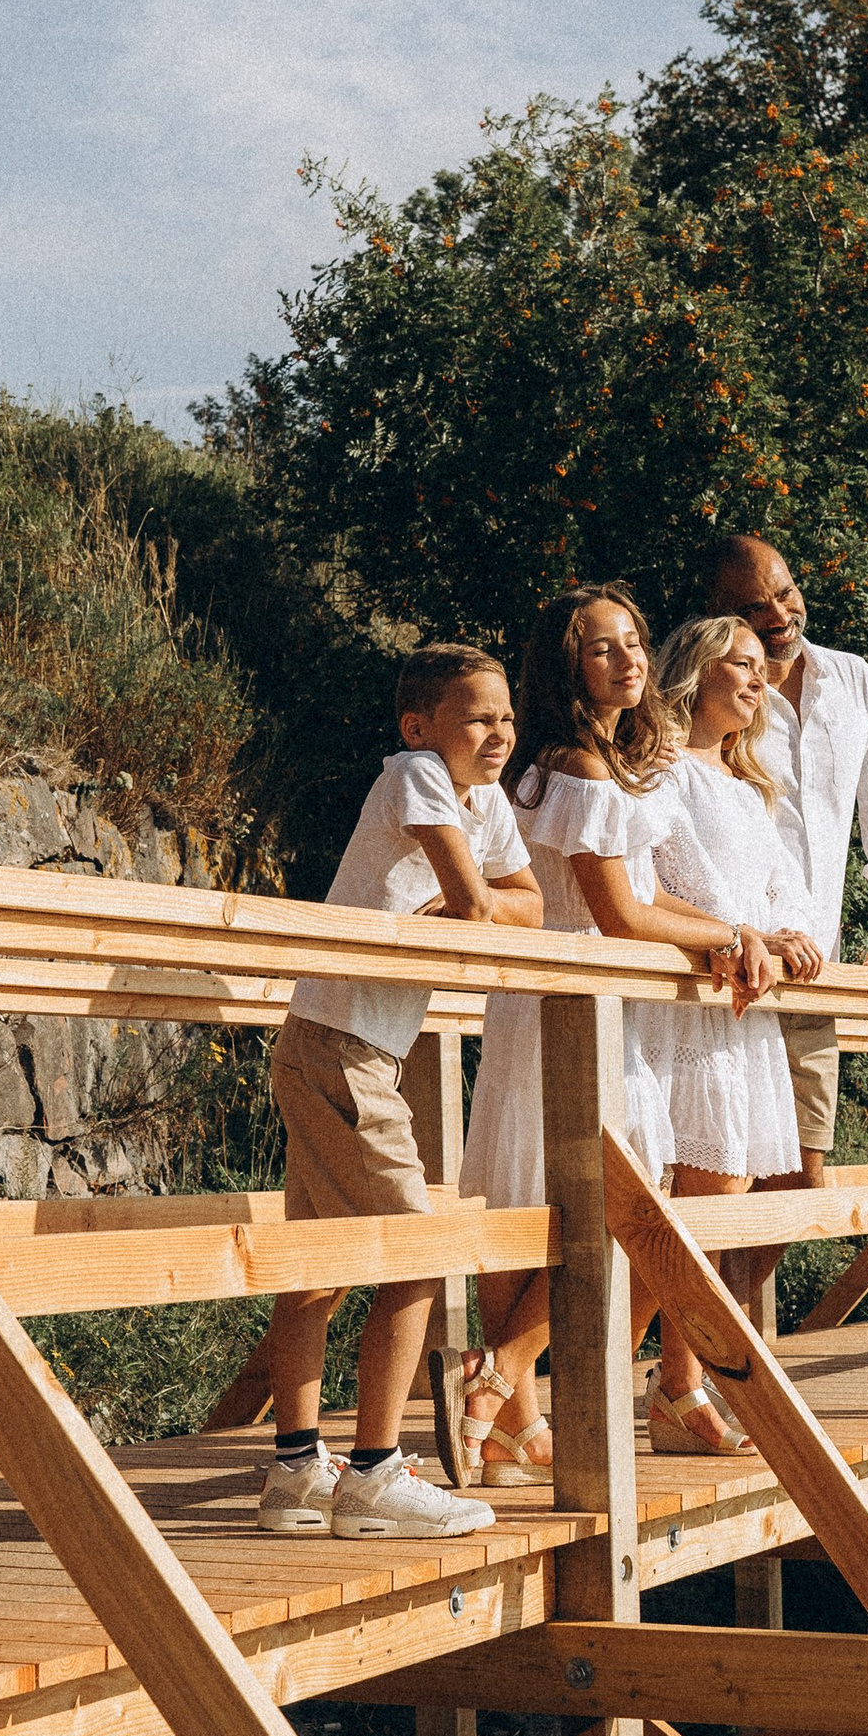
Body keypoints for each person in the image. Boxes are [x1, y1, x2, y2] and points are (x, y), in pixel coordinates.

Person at [459, 583, 773, 1486]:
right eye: (603, 648)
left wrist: (730, 931)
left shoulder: (604, 762)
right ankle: (507, 1383)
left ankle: (512, 1410)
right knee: (601, 1205)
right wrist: (729, 936)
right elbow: (620, 912)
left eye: (634, 642)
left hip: (600, 1008)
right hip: (572, 1006)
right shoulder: (579, 768)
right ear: (567, 667)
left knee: (597, 1203)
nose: (630, 659)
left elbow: (650, 896)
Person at [258, 643, 541, 1539]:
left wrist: (481, 905)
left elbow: (526, 900)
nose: (497, 734)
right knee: (414, 1255)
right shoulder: (416, 773)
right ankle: (374, 1477)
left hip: (345, 1045)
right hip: (342, 1045)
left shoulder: (482, 798)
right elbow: (475, 899)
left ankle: (299, 1473)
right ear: (421, 727)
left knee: (318, 1270)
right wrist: (476, 905)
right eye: (476, 718)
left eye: (505, 717)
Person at [643, 613, 824, 1452]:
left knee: (726, 1198)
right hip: (688, 1006)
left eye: (763, 669)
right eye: (740, 666)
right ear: (695, 671)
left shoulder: (754, 786)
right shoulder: (661, 771)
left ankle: (679, 1383)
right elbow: (661, 880)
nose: (759, 681)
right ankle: (663, 1383)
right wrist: (735, 929)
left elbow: (783, 887)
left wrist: (785, 933)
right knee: (691, 1197)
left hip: (744, 1008)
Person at [704, 534, 868, 1190]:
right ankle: (698, 1299)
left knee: (800, 1184)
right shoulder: (703, 689)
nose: (777, 617)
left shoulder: (852, 680)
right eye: (753, 608)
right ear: (717, 615)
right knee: (717, 1189)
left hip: (814, 975)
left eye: (785, 593)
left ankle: (726, 1301)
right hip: (726, 975)